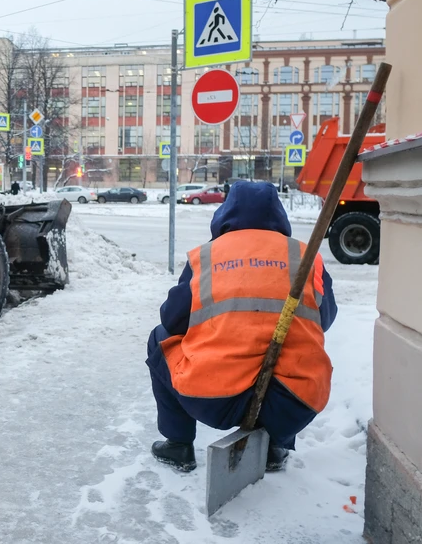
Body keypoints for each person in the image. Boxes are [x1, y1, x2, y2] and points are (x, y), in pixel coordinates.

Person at [145, 181, 338, 473]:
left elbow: (171, 320)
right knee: (300, 346)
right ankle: (275, 445)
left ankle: (178, 443)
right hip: (294, 402)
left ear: (226, 213)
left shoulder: (207, 256)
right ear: (279, 216)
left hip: (212, 399)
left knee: (159, 339)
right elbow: (325, 318)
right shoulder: (306, 256)